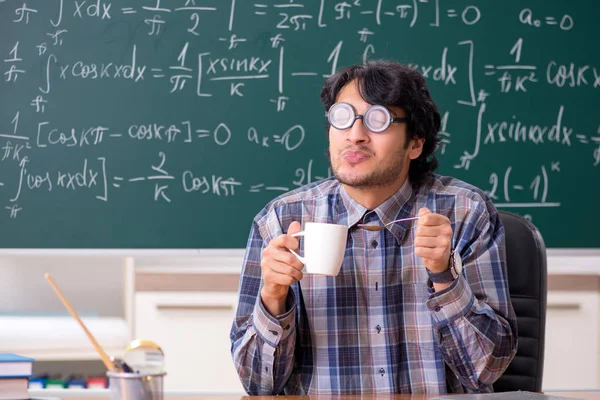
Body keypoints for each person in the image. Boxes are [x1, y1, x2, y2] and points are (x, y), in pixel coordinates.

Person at [230, 60, 517, 395]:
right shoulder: (280, 221)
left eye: (378, 120)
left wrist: (444, 277)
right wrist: (273, 299)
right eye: (342, 117)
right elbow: (257, 385)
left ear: (415, 143)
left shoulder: (465, 213)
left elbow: (486, 371)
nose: (355, 136)